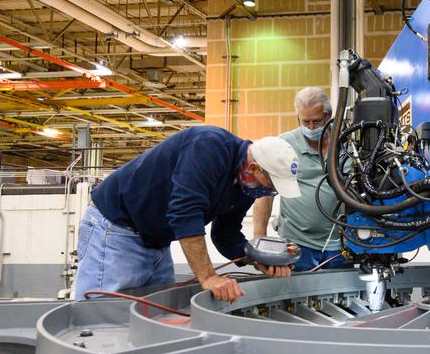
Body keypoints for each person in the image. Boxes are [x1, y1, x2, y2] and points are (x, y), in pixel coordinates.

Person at [73, 126, 299, 302]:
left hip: (156, 241)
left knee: (153, 313)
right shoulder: (209, 146)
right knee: (101, 316)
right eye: (270, 184)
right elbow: (184, 213)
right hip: (116, 228)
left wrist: (256, 259)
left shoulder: (246, 185)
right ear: (253, 168)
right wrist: (208, 277)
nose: (268, 192)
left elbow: (226, 234)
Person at [252, 86, 348, 272]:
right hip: (297, 243)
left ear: (328, 116)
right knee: (298, 297)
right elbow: (265, 193)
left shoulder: (346, 144)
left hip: (340, 243)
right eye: (305, 122)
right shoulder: (284, 145)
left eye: (316, 121)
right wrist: (259, 239)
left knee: (341, 296)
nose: (311, 128)